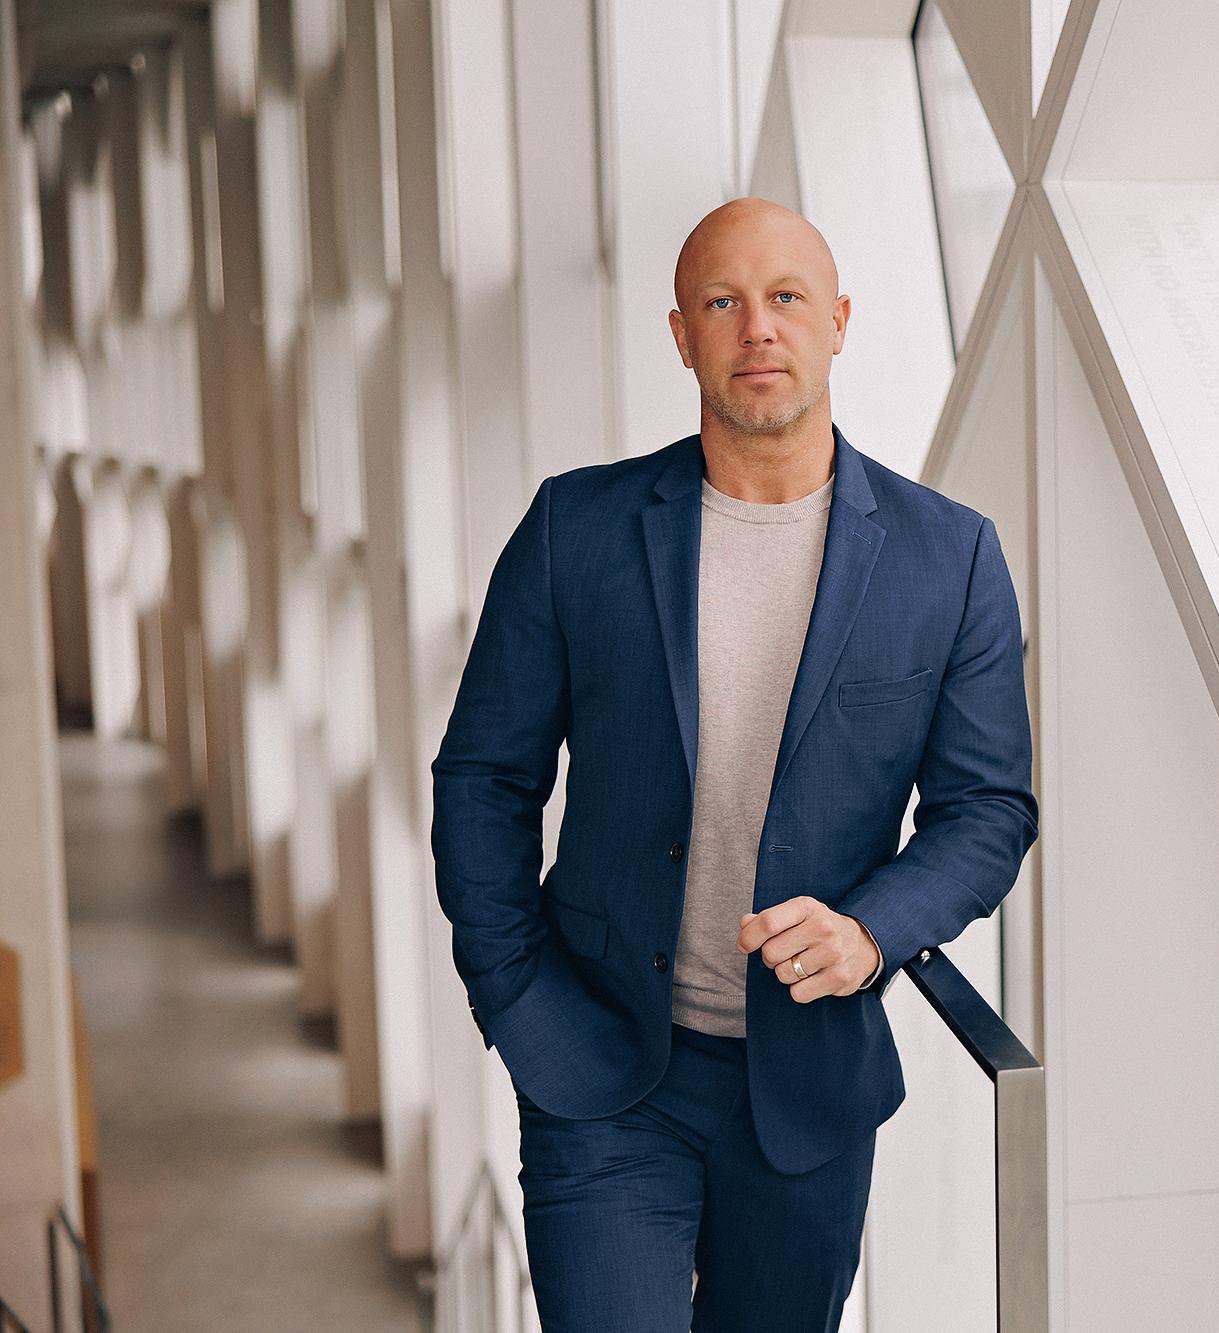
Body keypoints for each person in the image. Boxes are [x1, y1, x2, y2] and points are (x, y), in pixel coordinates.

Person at [429, 196, 1038, 1330]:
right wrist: (513, 990)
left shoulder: (946, 558)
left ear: (839, 322)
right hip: (601, 1066)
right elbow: (483, 778)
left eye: (786, 298)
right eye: (723, 301)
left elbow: (987, 810)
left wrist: (870, 931)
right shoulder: (577, 529)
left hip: (806, 1092)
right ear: (681, 335)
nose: (757, 327)